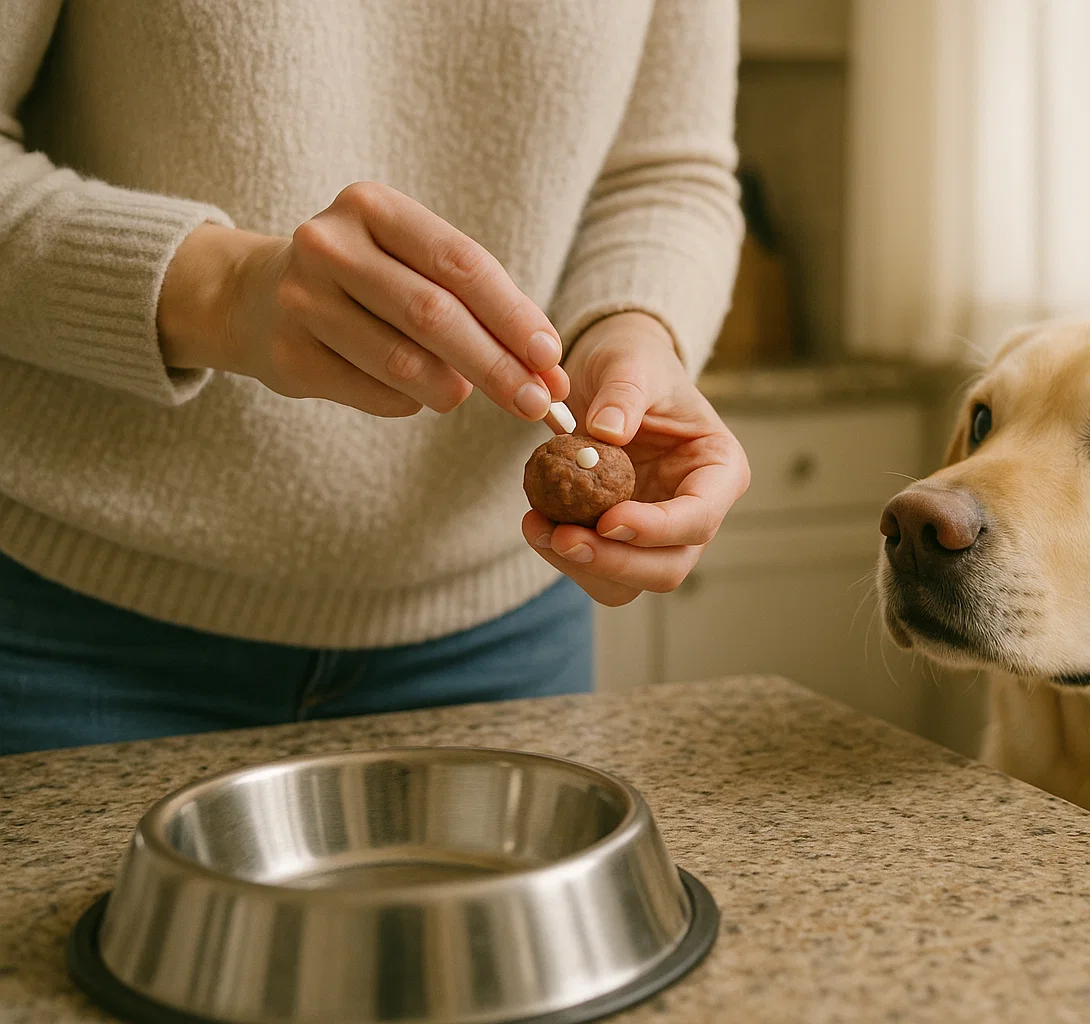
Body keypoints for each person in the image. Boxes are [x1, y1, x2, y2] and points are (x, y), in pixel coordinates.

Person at [0, 1, 749, 754]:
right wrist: (223, 291)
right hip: (74, 633)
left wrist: (630, 328)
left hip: (506, 637)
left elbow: (667, 173)